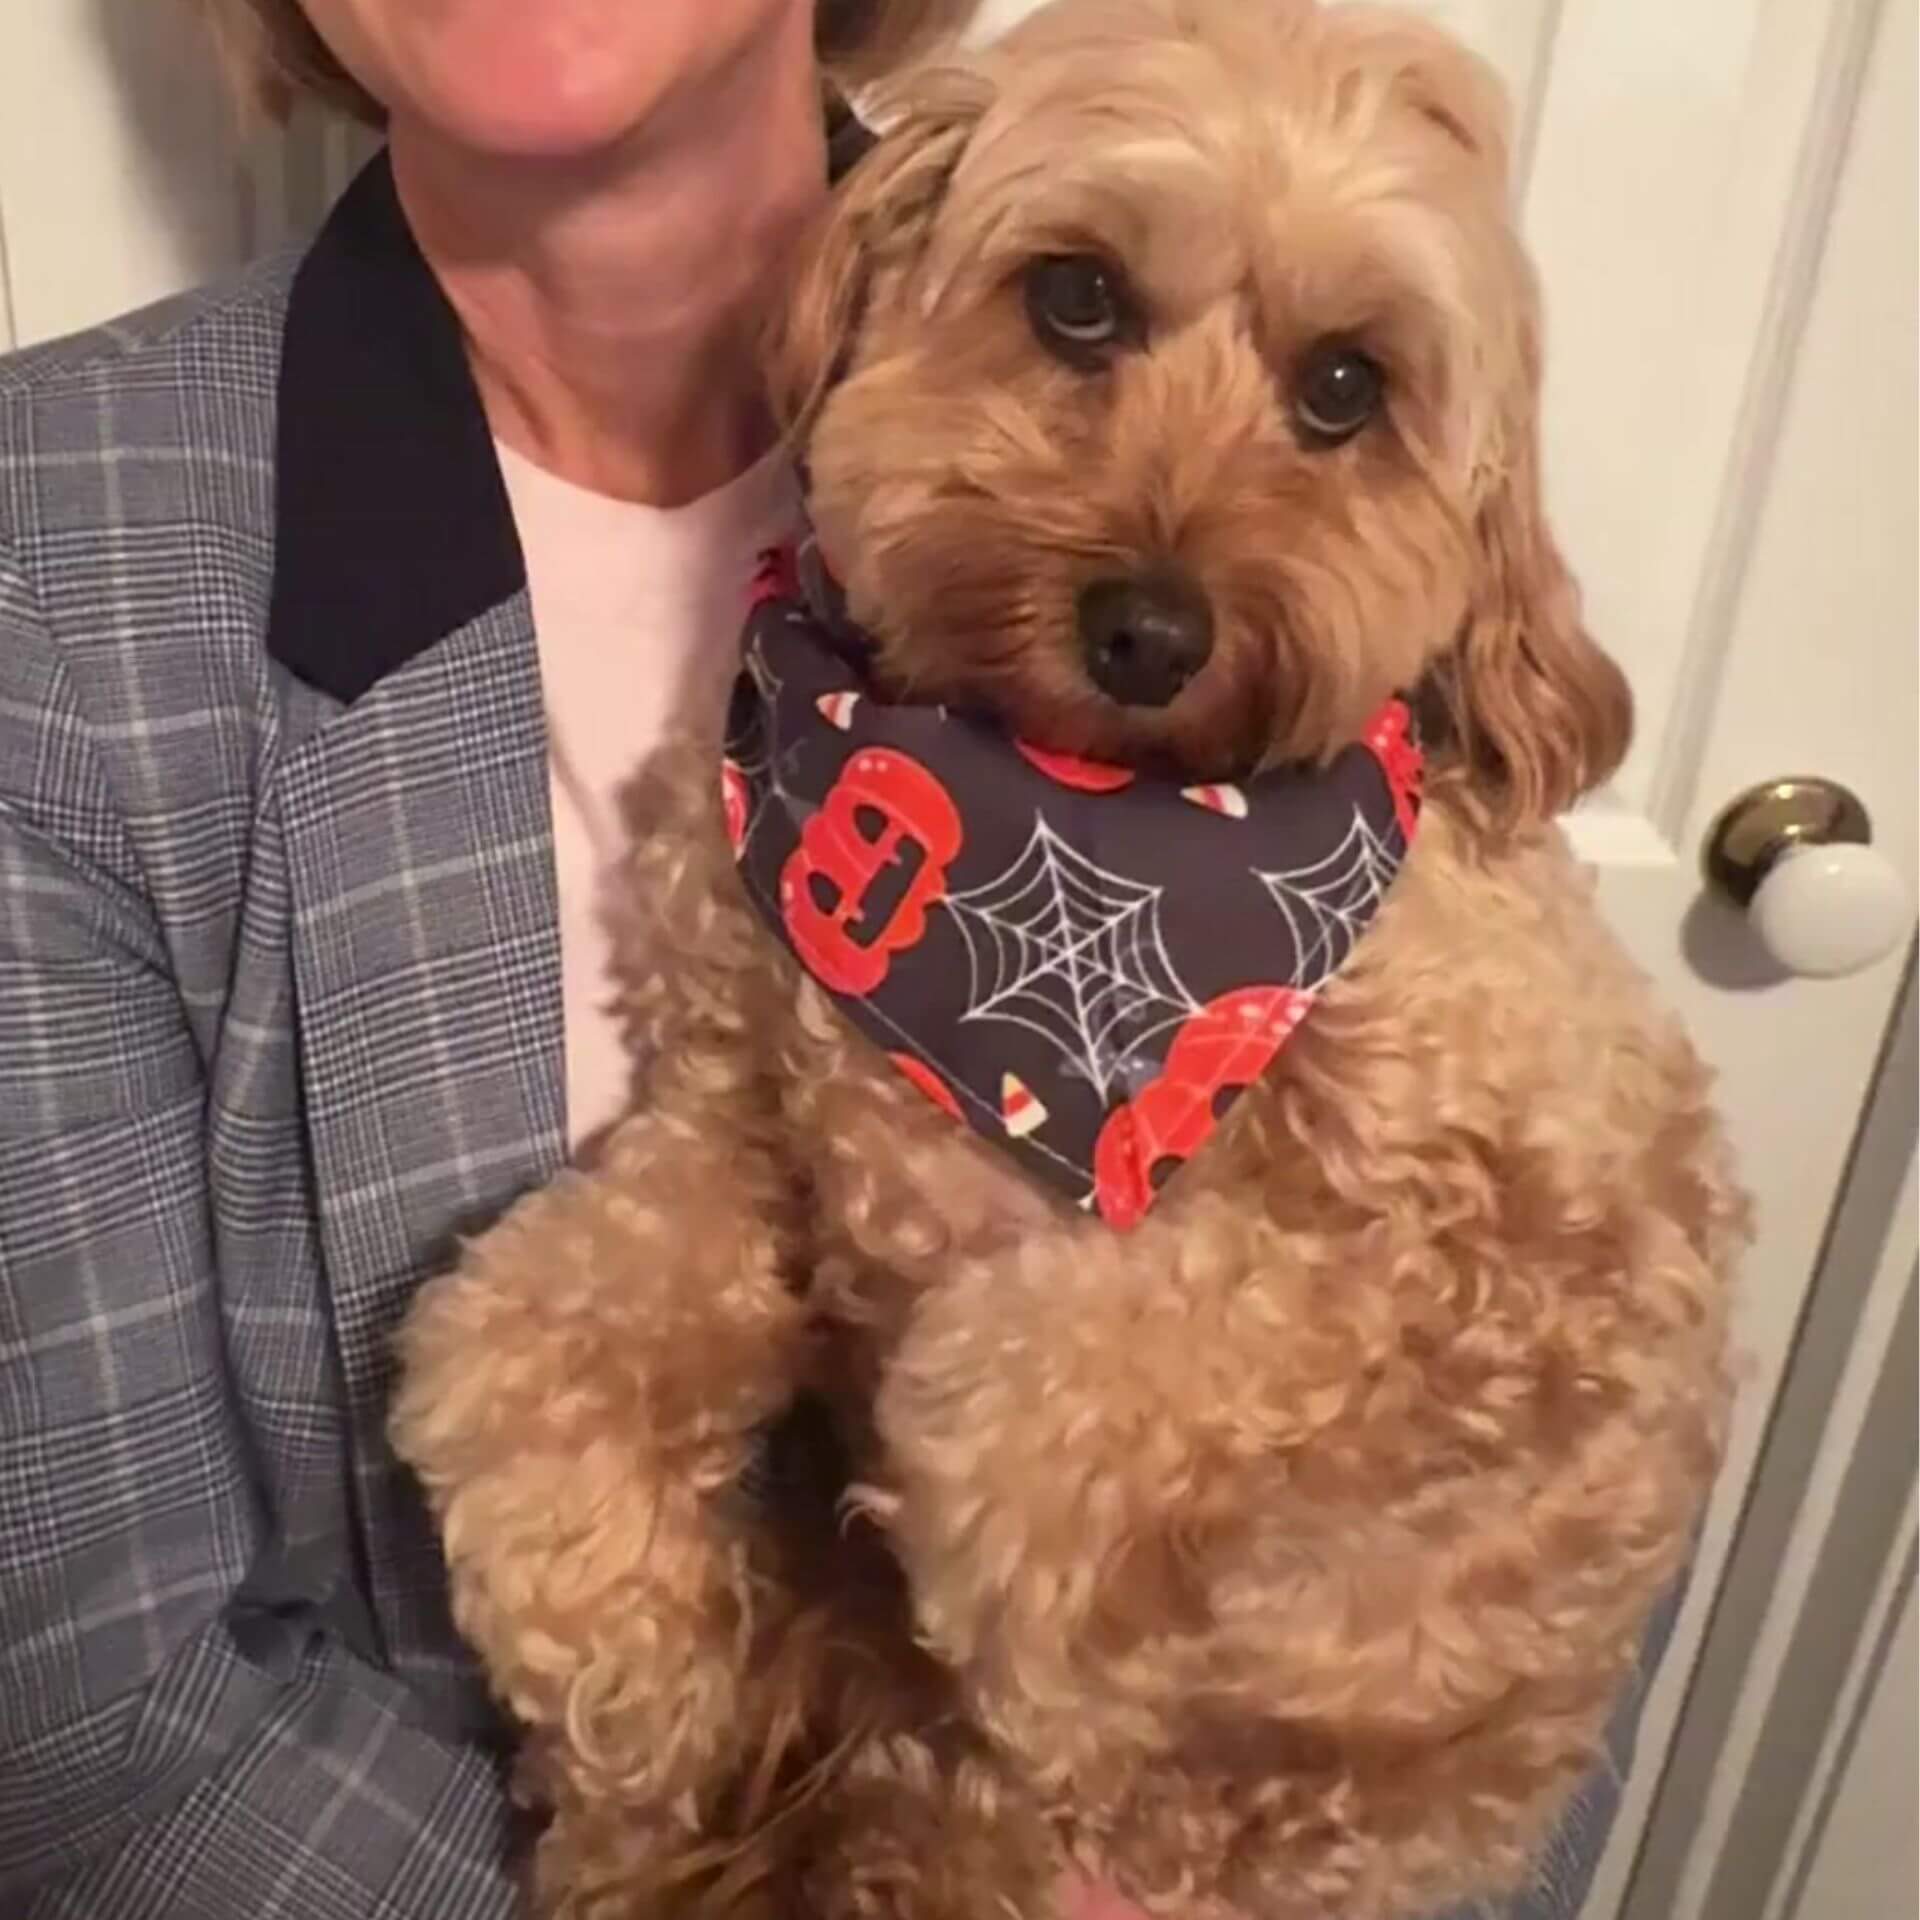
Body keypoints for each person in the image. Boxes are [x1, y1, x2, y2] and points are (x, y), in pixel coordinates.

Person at [0, 3, 1668, 1915]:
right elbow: (110, 1751)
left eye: (1337, 391)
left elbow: (1562, 1527)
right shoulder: (52, 587)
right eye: (1086, 313)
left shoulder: (1380, 739)